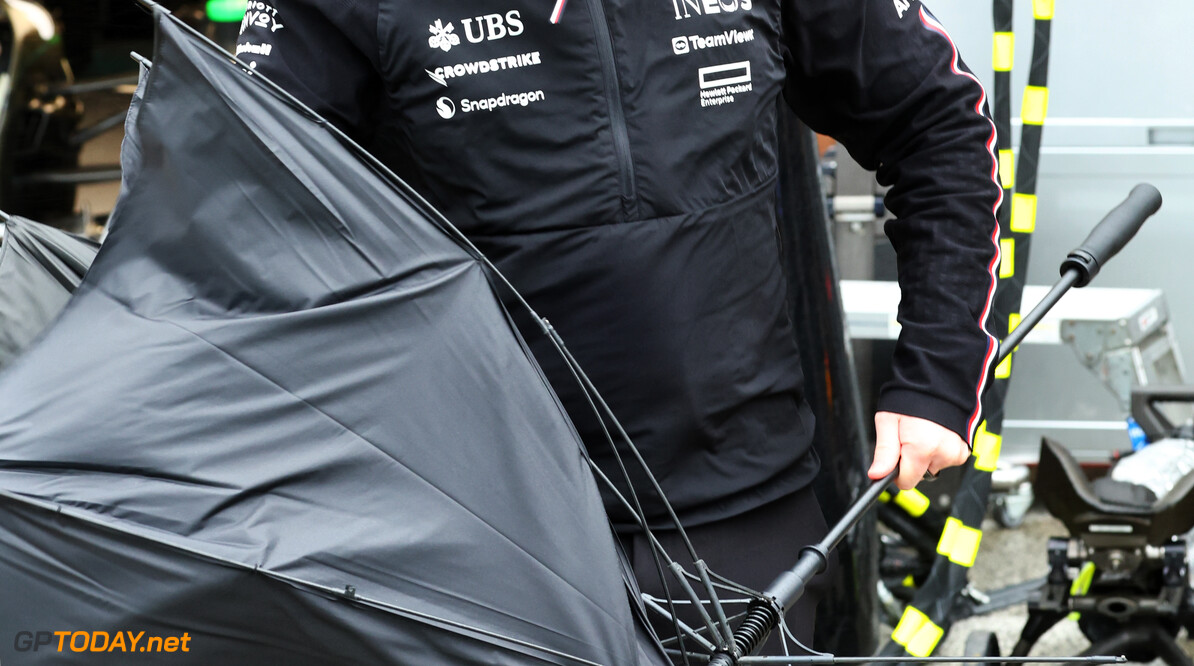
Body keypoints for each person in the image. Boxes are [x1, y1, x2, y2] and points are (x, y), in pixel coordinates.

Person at [236, 0, 998, 653]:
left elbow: (935, 124)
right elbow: (242, 211)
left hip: (744, 509)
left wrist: (935, 377)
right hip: (477, 525)